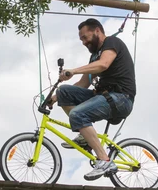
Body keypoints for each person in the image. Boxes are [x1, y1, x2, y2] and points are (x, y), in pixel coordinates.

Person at [50, 18, 136, 181]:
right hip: (104, 96)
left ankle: (104, 160)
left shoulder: (112, 42)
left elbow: (103, 64)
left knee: (77, 114)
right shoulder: (94, 58)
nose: (83, 42)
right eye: (81, 39)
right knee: (64, 92)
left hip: (121, 98)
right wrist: (54, 98)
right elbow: (83, 84)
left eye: (84, 37)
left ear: (97, 31)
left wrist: (73, 70)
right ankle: (85, 137)